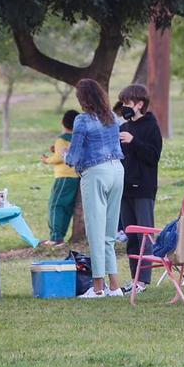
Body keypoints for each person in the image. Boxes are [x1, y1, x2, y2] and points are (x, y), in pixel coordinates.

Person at [64, 78, 126, 298]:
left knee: (95, 232)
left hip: (96, 173)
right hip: (117, 170)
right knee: (110, 232)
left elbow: (73, 156)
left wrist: (64, 156)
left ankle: (98, 288)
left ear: (83, 98)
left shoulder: (82, 120)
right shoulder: (112, 117)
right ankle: (115, 286)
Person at [116, 84, 162, 293]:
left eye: (127, 103)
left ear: (139, 104)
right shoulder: (124, 127)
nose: (124, 106)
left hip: (143, 188)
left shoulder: (151, 126)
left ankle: (143, 280)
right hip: (124, 189)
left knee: (145, 236)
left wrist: (134, 142)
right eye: (123, 103)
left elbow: (153, 156)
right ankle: (135, 279)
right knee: (131, 236)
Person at [40, 110, 80, 248]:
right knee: (67, 207)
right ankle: (60, 236)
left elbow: (59, 158)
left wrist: (46, 160)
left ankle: (56, 237)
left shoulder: (61, 139)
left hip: (63, 177)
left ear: (62, 122)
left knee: (55, 205)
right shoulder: (78, 138)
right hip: (75, 177)